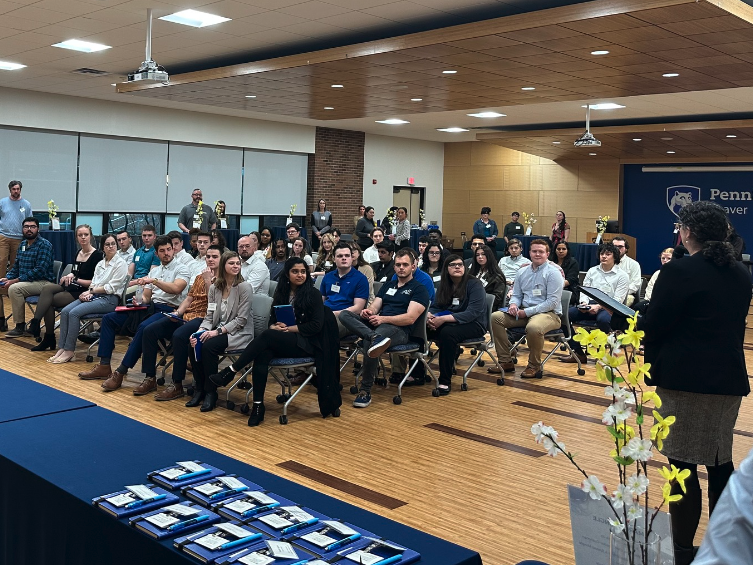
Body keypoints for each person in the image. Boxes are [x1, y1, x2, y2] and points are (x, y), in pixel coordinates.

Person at [644, 201, 751, 565]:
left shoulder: (679, 271)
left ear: (687, 232)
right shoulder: (741, 273)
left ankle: (683, 554)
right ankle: (731, 546)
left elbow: (657, 324)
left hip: (685, 382)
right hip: (728, 382)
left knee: (682, 467)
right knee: (720, 462)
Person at [208, 257, 342, 426]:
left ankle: (232, 370)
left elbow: (315, 326)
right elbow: (272, 319)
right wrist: (274, 326)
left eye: (303, 272)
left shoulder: (313, 294)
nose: (300, 275)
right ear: (287, 274)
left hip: (307, 343)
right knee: (263, 353)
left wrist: (288, 329)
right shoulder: (281, 292)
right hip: (284, 340)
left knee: (266, 337)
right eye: (295, 271)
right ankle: (258, 406)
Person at [77, 236, 190, 388]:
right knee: (109, 319)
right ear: (156, 254)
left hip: (171, 311)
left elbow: (177, 289)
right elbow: (147, 297)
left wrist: (154, 281)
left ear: (173, 249)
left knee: (145, 328)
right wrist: (140, 301)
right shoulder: (155, 271)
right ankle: (104, 365)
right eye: (162, 251)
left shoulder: (182, 268)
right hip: (150, 308)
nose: (166, 253)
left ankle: (123, 372)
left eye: (169, 249)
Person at [339, 247, 430, 408]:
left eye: (405, 265)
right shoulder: (388, 285)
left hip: (400, 330)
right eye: (398, 265)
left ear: (413, 267)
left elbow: (410, 318)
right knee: (345, 315)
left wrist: (382, 319)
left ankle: (365, 390)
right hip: (379, 324)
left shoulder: (419, 289)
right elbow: (376, 306)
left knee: (370, 341)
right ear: (394, 266)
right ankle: (373, 337)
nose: (401, 268)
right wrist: (369, 312)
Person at [144, 245, 222, 401]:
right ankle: (149, 378)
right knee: (149, 330)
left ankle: (177, 383)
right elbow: (189, 299)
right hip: (187, 315)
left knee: (179, 336)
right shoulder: (200, 276)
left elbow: (216, 303)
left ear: (222, 258)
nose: (210, 260)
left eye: (215, 257)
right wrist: (178, 312)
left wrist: (208, 280)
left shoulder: (224, 279)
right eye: (208, 257)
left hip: (205, 318)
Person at [45, 234, 128, 364]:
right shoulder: (101, 263)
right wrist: (89, 292)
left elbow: (111, 288)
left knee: (74, 313)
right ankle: (62, 347)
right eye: (107, 244)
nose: (111, 246)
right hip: (95, 295)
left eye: (113, 243)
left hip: (109, 300)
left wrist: (91, 291)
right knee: (66, 311)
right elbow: (94, 282)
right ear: (103, 247)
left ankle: (69, 350)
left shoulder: (121, 264)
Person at [488, 239, 563, 379]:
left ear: (547, 254)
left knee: (534, 327)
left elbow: (552, 302)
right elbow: (516, 295)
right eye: (534, 251)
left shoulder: (554, 273)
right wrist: (514, 305)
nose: (537, 254)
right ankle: (505, 361)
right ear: (529, 253)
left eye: (541, 251)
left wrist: (526, 312)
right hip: (524, 312)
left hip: (549, 314)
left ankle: (534, 366)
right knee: (495, 317)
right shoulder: (522, 271)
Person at [190, 252, 253, 412]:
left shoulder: (244, 287)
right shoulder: (214, 288)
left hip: (238, 333)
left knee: (208, 346)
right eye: (231, 263)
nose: (236, 266)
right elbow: (209, 316)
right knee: (194, 342)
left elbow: (241, 320)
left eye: (237, 263)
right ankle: (199, 388)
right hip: (218, 329)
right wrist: (200, 331)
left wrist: (216, 332)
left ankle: (211, 392)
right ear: (224, 265)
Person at [29, 224, 104, 350]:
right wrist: (69, 275)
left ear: (91, 236)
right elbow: (75, 271)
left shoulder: (97, 255)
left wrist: (76, 279)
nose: (83, 237)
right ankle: (36, 322)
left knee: (49, 302)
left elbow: (95, 282)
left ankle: (48, 337)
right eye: (80, 235)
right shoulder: (78, 253)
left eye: (86, 235)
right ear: (76, 238)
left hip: (84, 290)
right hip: (73, 285)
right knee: (47, 289)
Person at [427, 254, 487, 395]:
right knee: (420, 328)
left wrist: (444, 319)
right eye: (453, 265)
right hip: (450, 321)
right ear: (446, 269)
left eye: (460, 264)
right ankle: (417, 374)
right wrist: (430, 316)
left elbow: (473, 312)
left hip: (475, 324)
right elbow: (436, 306)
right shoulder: (445, 284)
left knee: (447, 333)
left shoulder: (474, 284)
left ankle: (444, 382)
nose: (458, 267)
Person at [562, 242, 628, 364]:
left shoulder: (622, 276)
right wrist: (584, 304)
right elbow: (585, 290)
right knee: (563, 315)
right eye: (602, 254)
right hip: (590, 304)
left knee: (603, 320)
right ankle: (577, 352)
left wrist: (598, 306)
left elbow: (618, 300)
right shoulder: (592, 271)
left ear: (615, 257)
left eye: (608, 254)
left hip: (610, 308)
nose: (604, 256)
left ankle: (603, 354)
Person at [0, 217, 54, 336]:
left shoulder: (44, 245)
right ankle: (3, 321)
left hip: (44, 283)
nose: (29, 229)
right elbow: (16, 266)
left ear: (38, 229)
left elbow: (39, 271)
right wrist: (8, 277)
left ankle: (20, 326)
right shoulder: (23, 244)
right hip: (27, 282)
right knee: (4, 284)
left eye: (32, 227)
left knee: (15, 288)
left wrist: (15, 281)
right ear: (22, 229)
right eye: (26, 227)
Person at [320, 243, 369, 337]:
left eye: (347, 255)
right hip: (325, 315)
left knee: (321, 329)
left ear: (352, 258)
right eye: (340, 256)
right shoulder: (328, 277)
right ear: (334, 259)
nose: (344, 258)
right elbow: (320, 300)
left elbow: (358, 308)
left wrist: (332, 314)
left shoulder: (360, 279)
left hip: (346, 319)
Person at [0, 180, 32, 279]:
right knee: (2, 261)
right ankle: (1, 290)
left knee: (15, 264)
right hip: (3, 237)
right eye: (14, 189)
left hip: (19, 238)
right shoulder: (2, 202)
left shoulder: (26, 204)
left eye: (18, 189)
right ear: (10, 190)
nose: (16, 191)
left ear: (20, 190)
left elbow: (29, 221)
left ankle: (9, 289)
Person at [634, 247, 673, 316]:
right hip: (652, 302)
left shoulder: (678, 274)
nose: (665, 260)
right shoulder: (657, 273)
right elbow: (649, 290)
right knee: (639, 307)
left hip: (669, 304)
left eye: (669, 258)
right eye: (663, 258)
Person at [469, 244, 506, 311]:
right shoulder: (472, 272)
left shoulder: (497, 276)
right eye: (477, 255)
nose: (480, 257)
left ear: (489, 256)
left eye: (483, 254)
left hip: (486, 308)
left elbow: (496, 299)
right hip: (470, 305)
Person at [127, 225, 160, 290]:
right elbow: (129, 273)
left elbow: (152, 275)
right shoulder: (138, 251)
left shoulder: (157, 252)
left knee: (123, 292)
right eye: (144, 235)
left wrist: (133, 282)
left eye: (149, 235)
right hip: (134, 281)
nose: (146, 238)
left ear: (154, 237)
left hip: (146, 283)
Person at [612, 236, 641, 306]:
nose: (617, 249)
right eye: (614, 246)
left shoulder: (634, 264)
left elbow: (635, 284)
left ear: (626, 249)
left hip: (626, 295)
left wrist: (619, 292)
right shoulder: (605, 263)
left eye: (620, 247)